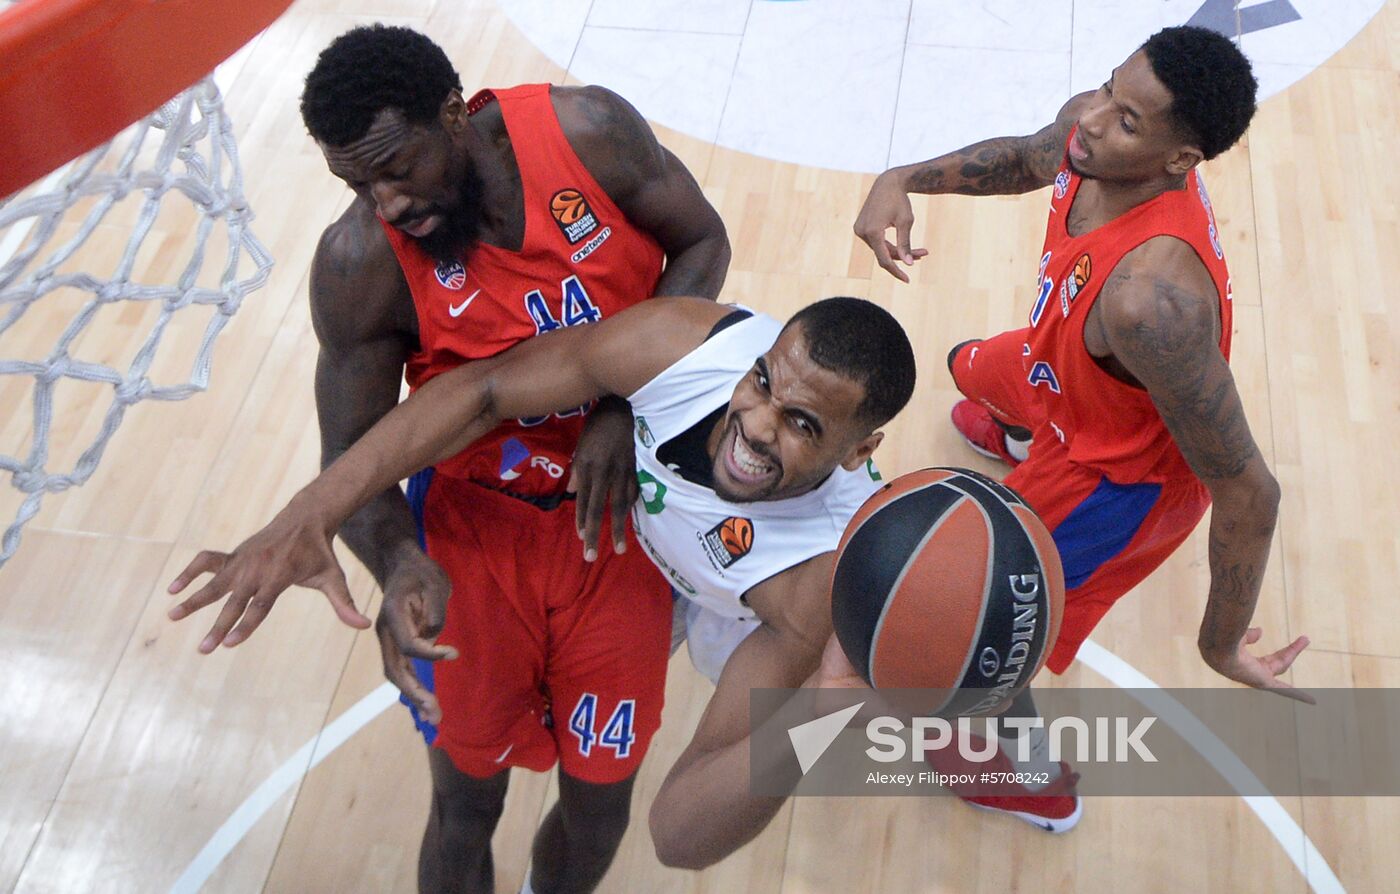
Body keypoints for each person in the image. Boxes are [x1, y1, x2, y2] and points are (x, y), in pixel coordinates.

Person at [169, 25, 730, 894]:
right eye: (357, 182)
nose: (385, 201)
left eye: (398, 168)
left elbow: (702, 241)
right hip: (474, 536)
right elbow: (353, 460)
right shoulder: (359, 264)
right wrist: (396, 562)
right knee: (465, 808)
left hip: (622, 518)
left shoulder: (588, 133)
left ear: (454, 114)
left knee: (598, 806)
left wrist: (623, 404)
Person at [169, 294, 923, 870]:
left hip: (737, 607)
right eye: (761, 385)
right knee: (482, 780)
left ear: (860, 452)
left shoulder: (816, 580)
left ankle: (959, 733)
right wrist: (313, 511)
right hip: (632, 555)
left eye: (802, 424)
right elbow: (485, 389)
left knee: (613, 810)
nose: (757, 425)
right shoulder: (678, 348)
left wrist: (819, 718)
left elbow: (678, 835)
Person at [854, 25, 1311, 826]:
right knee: (968, 363)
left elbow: (1249, 491)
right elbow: (1027, 157)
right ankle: (1026, 434)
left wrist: (1220, 647)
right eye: (1107, 90)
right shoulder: (1088, 137)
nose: (1094, 121)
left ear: (1181, 161)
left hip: (1116, 479)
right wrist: (903, 177)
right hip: (1063, 377)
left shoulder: (1151, 304)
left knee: (987, 626)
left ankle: (1029, 779)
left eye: (1129, 120)